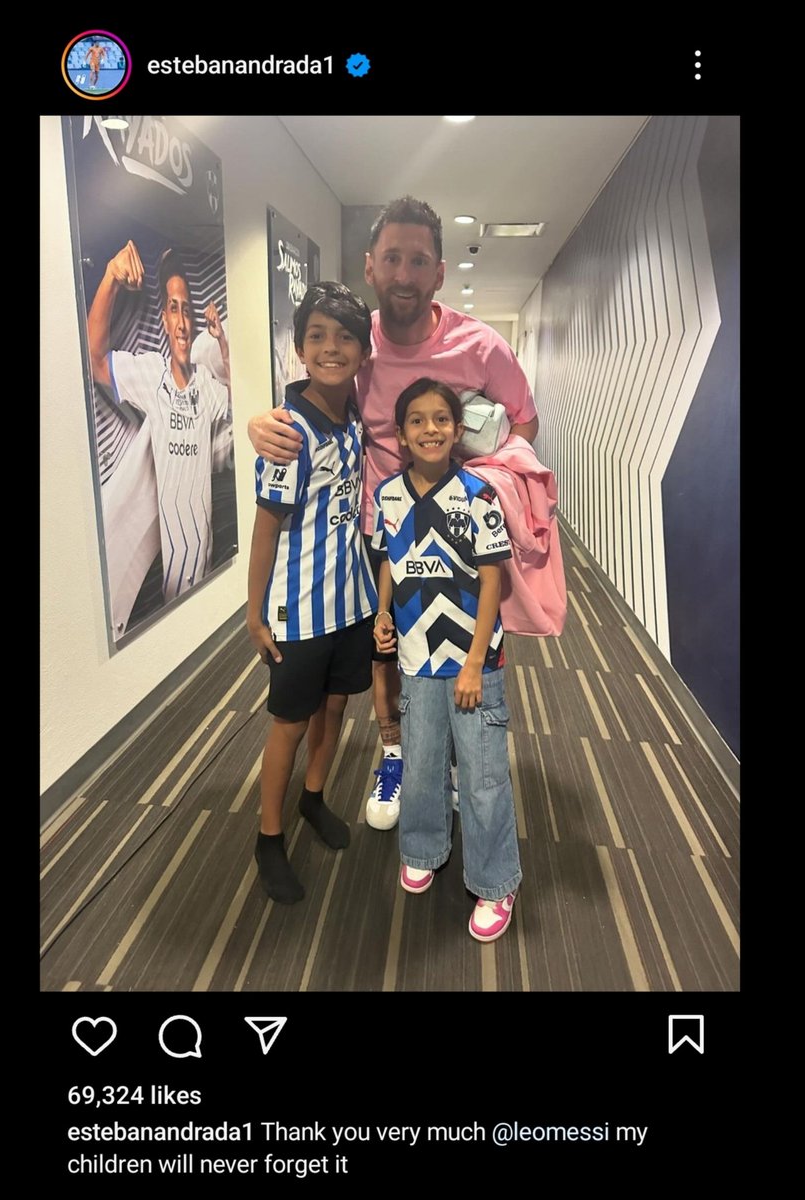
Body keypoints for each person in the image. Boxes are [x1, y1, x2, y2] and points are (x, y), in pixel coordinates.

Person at [248, 196, 539, 832]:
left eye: (418, 260)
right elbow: (314, 397)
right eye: (392, 259)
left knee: (464, 653)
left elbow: (525, 420)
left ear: (438, 272)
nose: (404, 273)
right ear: (370, 267)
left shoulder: (481, 345)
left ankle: (461, 765)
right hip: (380, 531)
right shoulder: (356, 343)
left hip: (461, 543)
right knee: (390, 655)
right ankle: (396, 754)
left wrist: (481, 480)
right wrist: (261, 421)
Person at [372, 379, 522, 941]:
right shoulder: (388, 494)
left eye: (441, 419)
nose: (429, 429)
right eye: (416, 420)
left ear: (458, 431)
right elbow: (390, 557)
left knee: (482, 778)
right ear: (402, 432)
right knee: (424, 764)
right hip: (415, 659)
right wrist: (383, 613)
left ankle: (495, 879)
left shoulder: (477, 495)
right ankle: (423, 846)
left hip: (471, 665)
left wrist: (474, 661)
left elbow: (491, 579)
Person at [248, 282, 378, 904]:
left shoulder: (353, 420)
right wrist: (253, 613)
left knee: (335, 709)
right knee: (289, 725)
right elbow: (266, 525)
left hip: (351, 602)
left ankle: (314, 798)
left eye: (345, 336)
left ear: (363, 349)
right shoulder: (287, 431)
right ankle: (268, 837)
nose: (332, 348)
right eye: (318, 336)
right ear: (299, 349)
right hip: (299, 611)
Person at [88, 241, 231, 610]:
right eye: (173, 310)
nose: (182, 322)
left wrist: (223, 343)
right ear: (164, 320)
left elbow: (242, 394)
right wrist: (110, 278)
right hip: (171, 591)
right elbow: (95, 360)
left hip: (209, 576)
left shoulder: (208, 387)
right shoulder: (150, 376)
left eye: (186, 311)